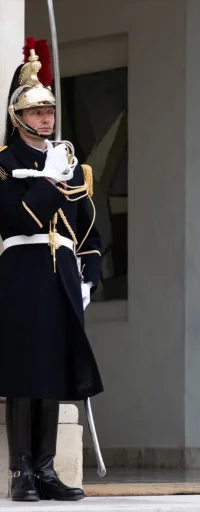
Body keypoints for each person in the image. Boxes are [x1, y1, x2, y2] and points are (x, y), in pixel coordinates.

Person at [0, 38, 103, 502]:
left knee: (54, 373)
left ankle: (44, 469)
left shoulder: (70, 163)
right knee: (25, 372)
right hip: (22, 271)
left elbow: (88, 230)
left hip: (62, 275)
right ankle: (20, 471)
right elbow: (18, 218)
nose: (46, 119)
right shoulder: (4, 165)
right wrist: (47, 178)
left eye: (50, 111)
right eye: (36, 112)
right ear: (18, 117)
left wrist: (88, 276)